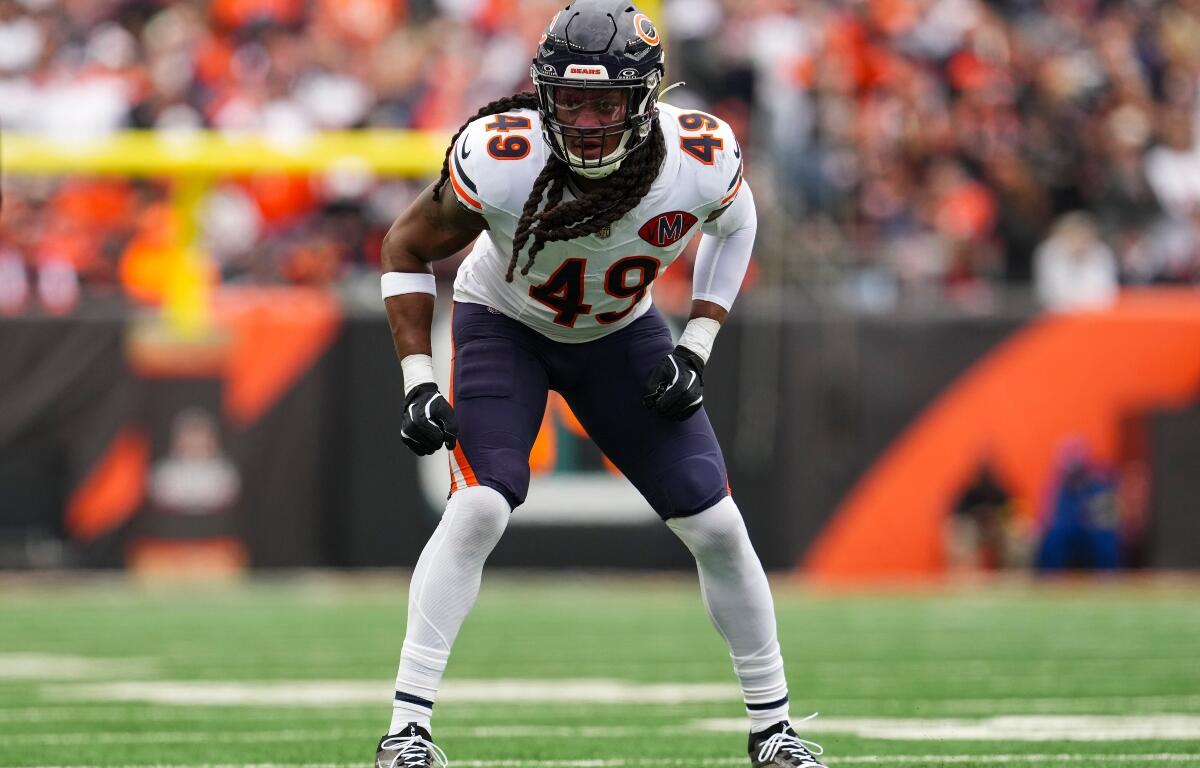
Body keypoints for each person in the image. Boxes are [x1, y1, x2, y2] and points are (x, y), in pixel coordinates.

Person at [375, 3, 827, 766]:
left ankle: (775, 729)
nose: (586, 120)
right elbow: (403, 245)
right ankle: (407, 730)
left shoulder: (699, 155)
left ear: (646, 99)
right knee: (481, 504)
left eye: (607, 102)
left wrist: (701, 340)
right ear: (543, 95)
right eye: (571, 100)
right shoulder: (505, 156)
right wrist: (418, 379)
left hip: (620, 334)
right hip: (505, 324)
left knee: (716, 523)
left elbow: (738, 222)